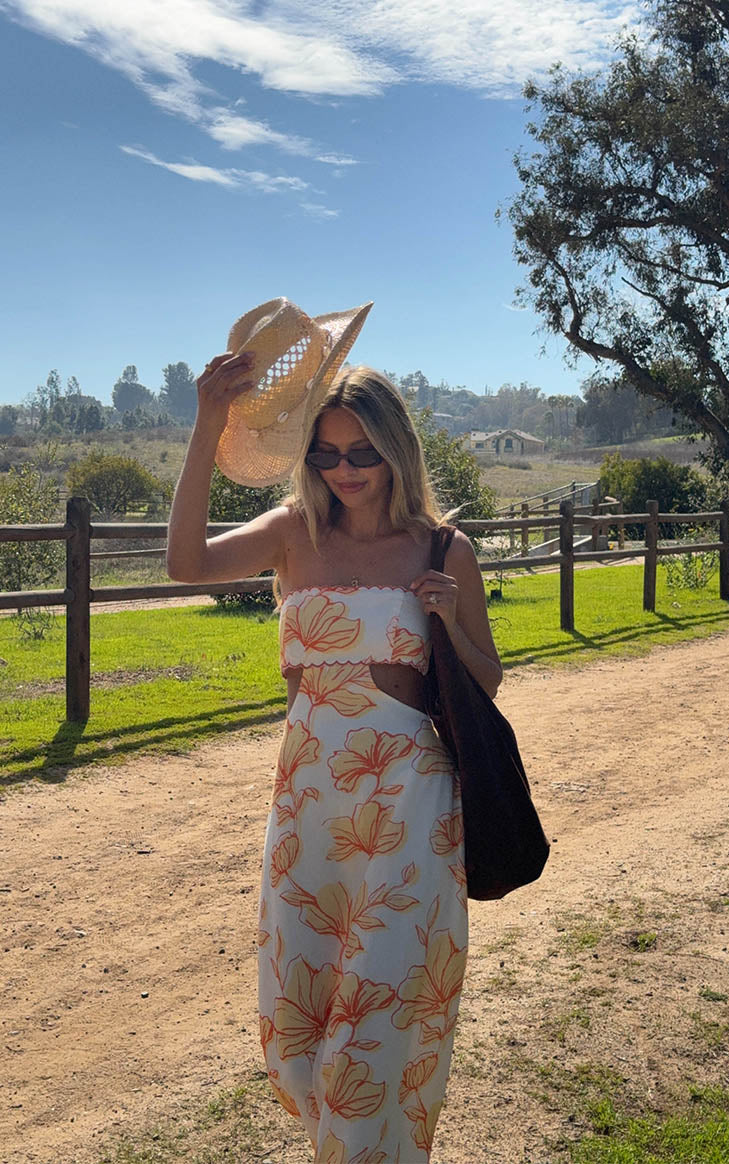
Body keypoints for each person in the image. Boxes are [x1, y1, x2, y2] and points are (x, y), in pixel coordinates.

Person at [167, 343, 502, 1162]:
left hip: (409, 807)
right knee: (299, 1019)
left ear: (396, 450)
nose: (344, 470)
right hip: (308, 801)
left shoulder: (442, 548)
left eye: (362, 453)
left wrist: (451, 618)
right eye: (326, 452)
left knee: (382, 1013)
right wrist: (209, 421)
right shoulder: (293, 533)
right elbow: (185, 564)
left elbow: (486, 682)